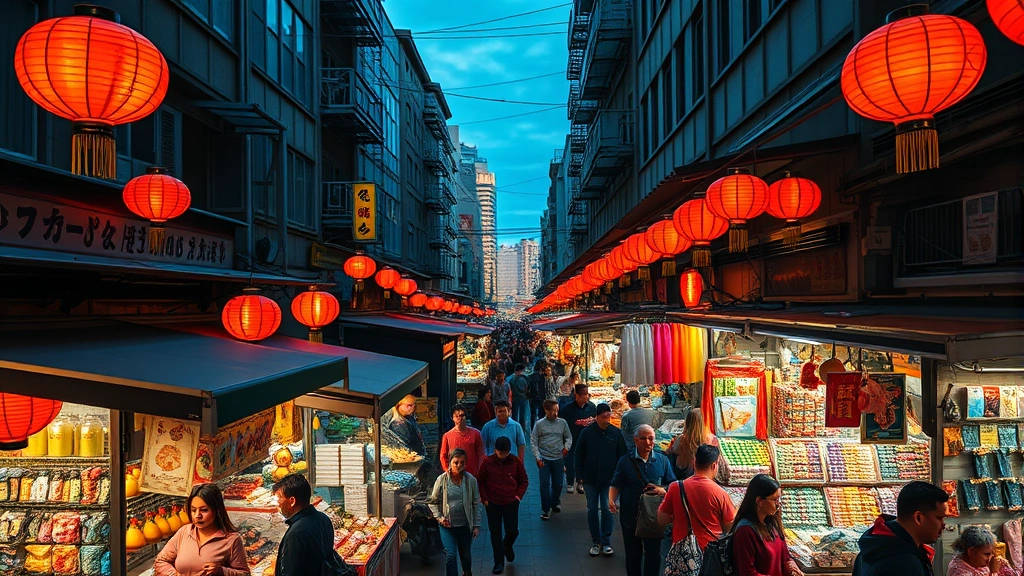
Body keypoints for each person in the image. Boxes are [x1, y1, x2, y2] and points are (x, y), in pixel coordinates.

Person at [609, 424, 675, 576]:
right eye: (643, 438)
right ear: (636, 440)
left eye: (651, 438)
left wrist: (662, 490)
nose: (647, 442)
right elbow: (616, 483)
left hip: (654, 517)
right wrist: (611, 499)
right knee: (633, 554)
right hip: (630, 515)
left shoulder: (662, 461)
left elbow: (673, 484)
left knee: (653, 554)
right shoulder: (625, 461)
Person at [852, 480, 950, 576]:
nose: (943, 525)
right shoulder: (904, 564)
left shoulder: (873, 546)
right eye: (939, 518)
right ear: (918, 518)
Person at [154, 483, 250, 576]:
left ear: (216, 511)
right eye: (193, 510)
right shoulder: (184, 532)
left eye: (204, 510)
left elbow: (244, 574)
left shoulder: (232, 540)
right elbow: (161, 561)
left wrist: (221, 571)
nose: (197, 516)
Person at [271, 474, 354, 576]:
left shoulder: (297, 533)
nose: (278, 503)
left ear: (292, 501)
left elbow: (291, 571)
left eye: (279, 498)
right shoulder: (323, 518)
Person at [657, 444, 736, 551]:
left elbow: (662, 519)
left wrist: (677, 514)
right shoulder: (721, 494)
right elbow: (729, 527)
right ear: (714, 465)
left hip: (682, 553)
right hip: (709, 554)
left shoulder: (676, 487)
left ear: (694, 462)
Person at [575, 402, 627, 556]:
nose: (607, 420)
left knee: (606, 508)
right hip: (590, 478)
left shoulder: (616, 433)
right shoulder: (587, 433)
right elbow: (579, 454)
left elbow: (623, 456)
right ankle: (595, 540)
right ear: (597, 417)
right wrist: (579, 476)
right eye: (604, 417)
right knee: (592, 508)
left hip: (609, 480)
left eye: (608, 416)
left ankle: (606, 540)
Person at [730, 474, 803, 576]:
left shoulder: (772, 525)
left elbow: (785, 557)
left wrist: (791, 566)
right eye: (775, 499)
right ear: (759, 501)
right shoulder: (745, 531)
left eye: (779, 499)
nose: (779, 503)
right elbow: (746, 572)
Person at [477, 437, 529, 575]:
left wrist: (518, 497)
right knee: (495, 533)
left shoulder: (515, 462)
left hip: (510, 502)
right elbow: (480, 480)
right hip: (492, 503)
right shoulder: (487, 462)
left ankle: (507, 546)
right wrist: (485, 499)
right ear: (495, 450)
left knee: (513, 530)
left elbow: (524, 480)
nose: (502, 456)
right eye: (500, 453)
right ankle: (498, 562)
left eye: (504, 453)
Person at [430, 449, 484, 576]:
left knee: (465, 555)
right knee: (451, 555)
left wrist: (476, 525)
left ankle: (467, 572)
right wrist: (440, 518)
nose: (459, 465)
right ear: (450, 463)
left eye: (462, 462)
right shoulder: (442, 480)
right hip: (447, 526)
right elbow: (432, 502)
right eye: (456, 462)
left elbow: (476, 503)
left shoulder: (471, 481)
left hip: (465, 526)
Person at [530, 399, 572, 520]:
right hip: (544, 459)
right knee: (544, 484)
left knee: (558, 484)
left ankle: (554, 502)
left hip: (558, 458)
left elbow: (568, 437)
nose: (555, 413)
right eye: (552, 411)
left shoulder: (562, 423)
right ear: (546, 411)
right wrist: (538, 457)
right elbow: (533, 441)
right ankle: (546, 509)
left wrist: (566, 447)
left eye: (557, 411)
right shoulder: (539, 424)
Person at [560, 383, 597, 494]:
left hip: (587, 441)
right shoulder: (567, 409)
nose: (586, 397)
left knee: (584, 462)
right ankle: (570, 482)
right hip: (571, 439)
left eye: (587, 394)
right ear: (576, 395)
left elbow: (595, 422)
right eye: (583, 395)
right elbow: (562, 425)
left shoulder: (591, 407)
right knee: (570, 462)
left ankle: (581, 482)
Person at [668, 408, 720, 480]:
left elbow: (672, 451)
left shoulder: (682, 439)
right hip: (705, 476)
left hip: (684, 477)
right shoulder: (713, 440)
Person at [947, 525, 1019, 576]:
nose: (990, 558)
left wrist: (1004, 567)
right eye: (987, 554)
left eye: (991, 554)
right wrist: (994, 572)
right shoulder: (958, 572)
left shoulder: (977, 563)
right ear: (971, 551)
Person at [440, 404, 487, 476]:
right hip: (455, 475)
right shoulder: (447, 436)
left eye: (462, 415)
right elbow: (443, 456)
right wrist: (447, 471)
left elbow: (481, 455)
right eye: (457, 416)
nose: (460, 418)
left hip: (473, 475)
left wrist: (479, 471)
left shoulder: (476, 434)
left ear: (466, 417)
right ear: (452, 418)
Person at [620, 390, 656, 455]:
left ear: (628, 402)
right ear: (639, 400)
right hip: (649, 444)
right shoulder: (651, 413)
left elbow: (623, 432)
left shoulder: (627, 416)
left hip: (633, 447)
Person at [508, 364, 532, 431]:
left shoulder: (510, 379)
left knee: (515, 415)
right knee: (523, 414)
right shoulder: (523, 379)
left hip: (514, 399)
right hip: (522, 398)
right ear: (521, 370)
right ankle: (522, 429)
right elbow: (526, 389)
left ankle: (514, 428)